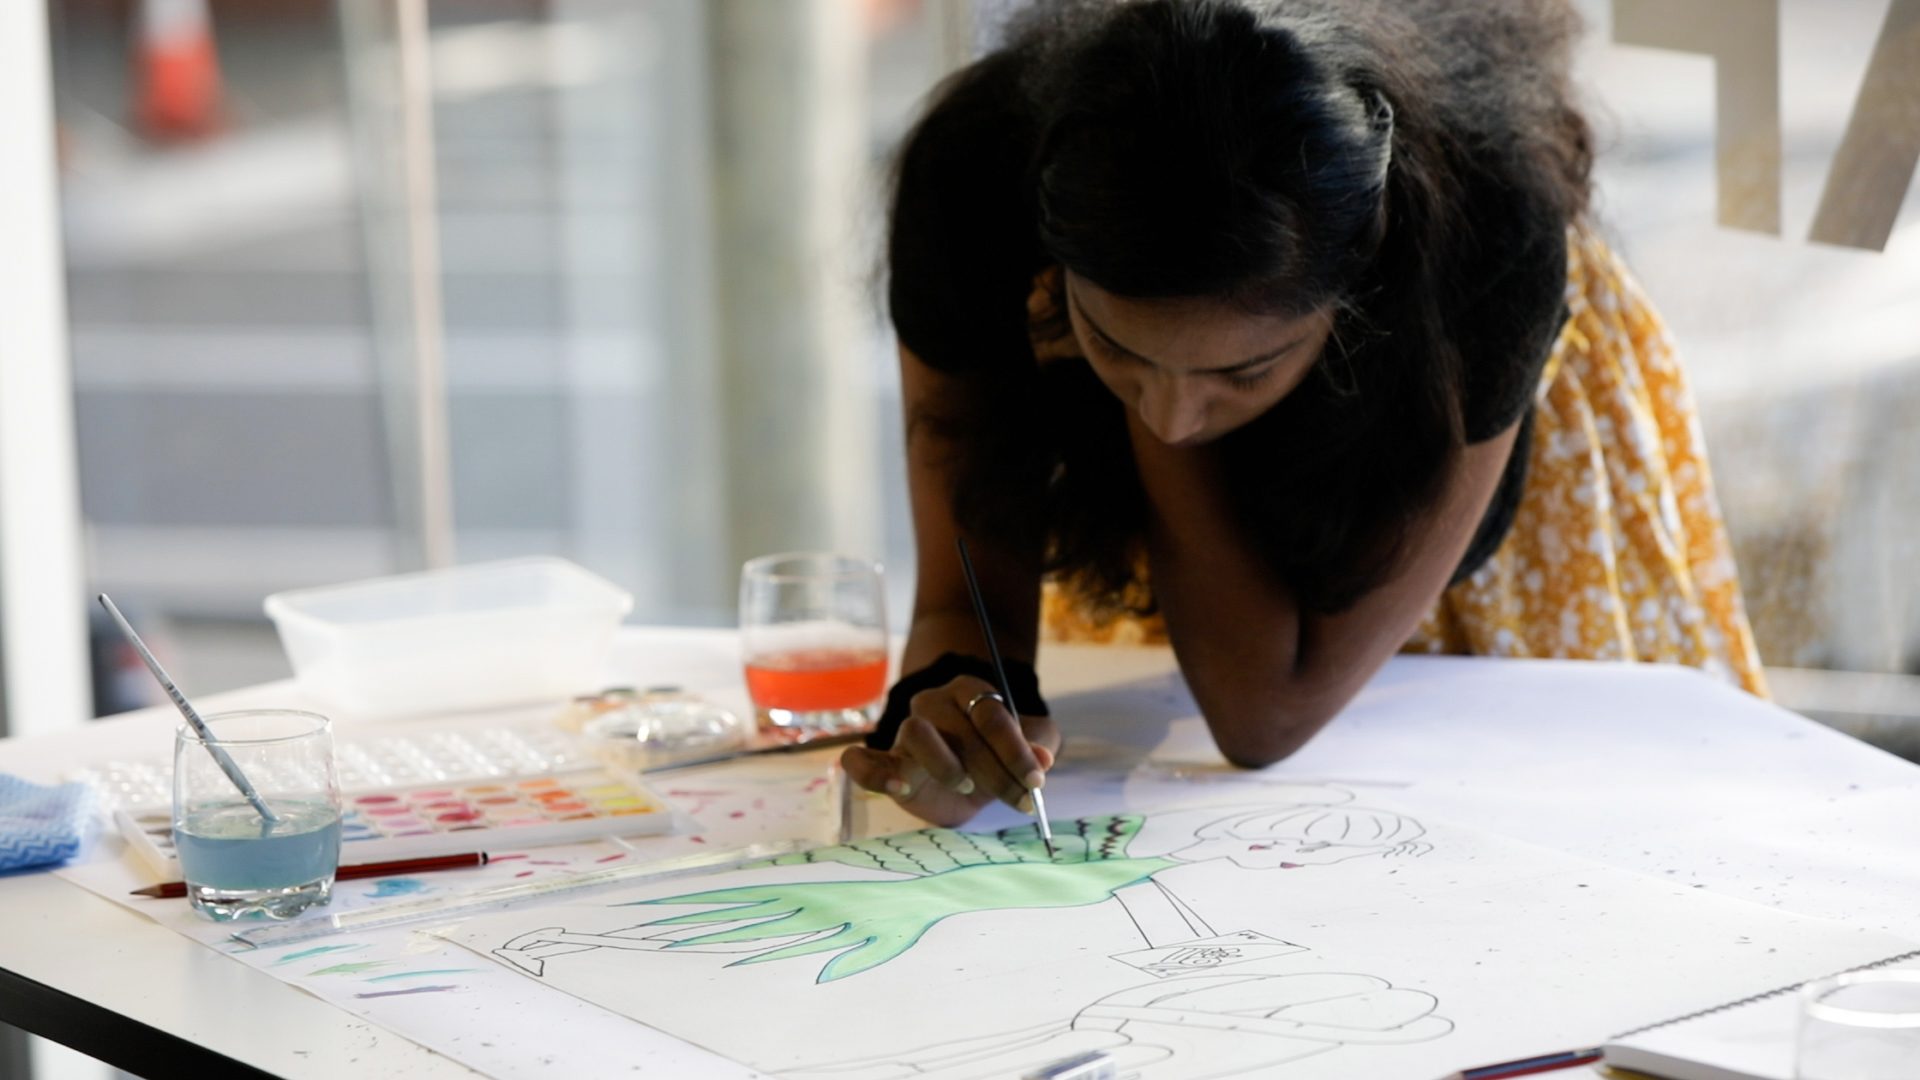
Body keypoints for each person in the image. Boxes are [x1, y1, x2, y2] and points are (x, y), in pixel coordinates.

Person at [840, 0, 1767, 827]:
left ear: (1357, 296)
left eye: (1242, 371)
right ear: (1053, 262)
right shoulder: (971, 179)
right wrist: (955, 704)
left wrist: (1130, 379)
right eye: (1114, 344)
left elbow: (1265, 713)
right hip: (1204, 580)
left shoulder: (1487, 227)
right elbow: (965, 603)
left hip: (1446, 525)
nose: (1171, 418)